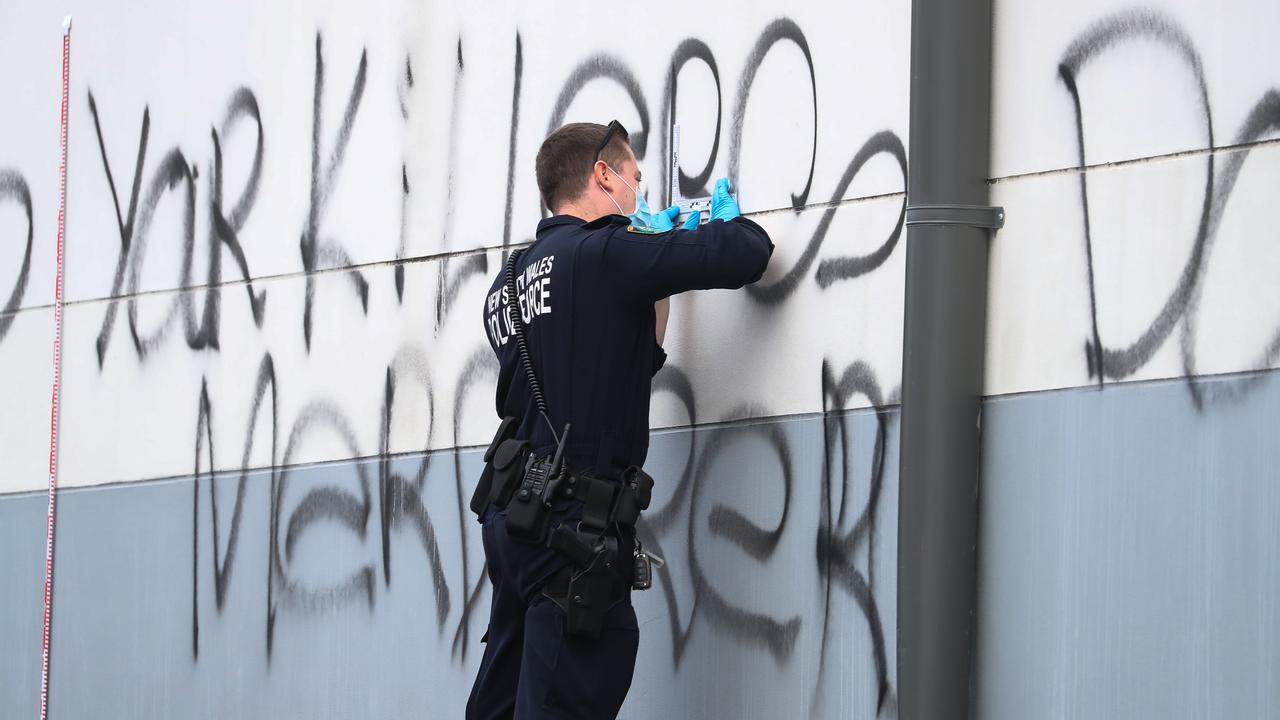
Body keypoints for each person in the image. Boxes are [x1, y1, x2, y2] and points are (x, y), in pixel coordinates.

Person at [467, 120, 773, 719]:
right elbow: (748, 252)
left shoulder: (505, 288)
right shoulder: (604, 253)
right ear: (602, 175)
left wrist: (653, 283)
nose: (639, 192)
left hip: (516, 525)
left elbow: (623, 360)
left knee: (501, 705)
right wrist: (717, 224)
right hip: (572, 537)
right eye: (634, 178)